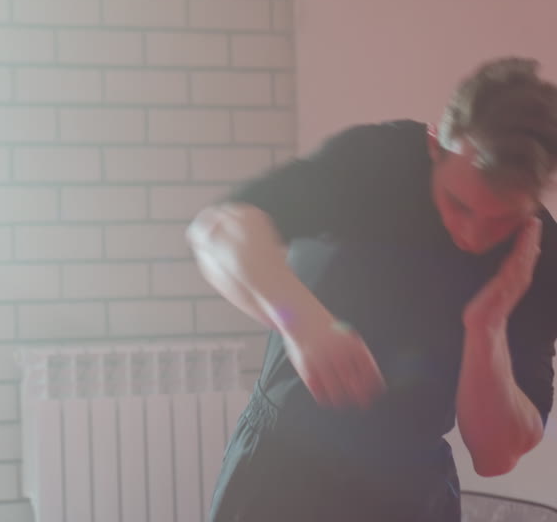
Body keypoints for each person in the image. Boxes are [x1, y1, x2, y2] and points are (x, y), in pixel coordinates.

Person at [188, 57, 557, 521]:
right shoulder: (378, 161)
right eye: (457, 204)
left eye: (500, 221)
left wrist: (486, 326)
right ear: (434, 147)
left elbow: (496, 454)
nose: (473, 236)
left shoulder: (538, 256)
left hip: (411, 490)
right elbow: (218, 232)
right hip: (284, 470)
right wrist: (301, 322)